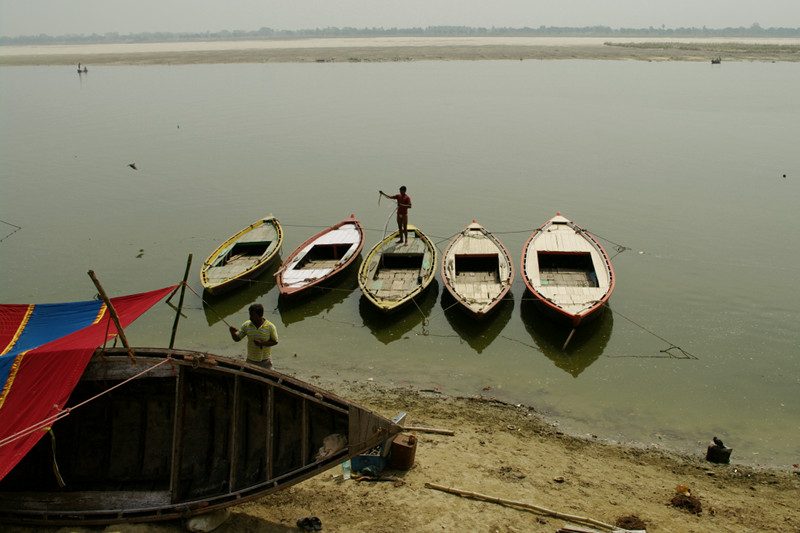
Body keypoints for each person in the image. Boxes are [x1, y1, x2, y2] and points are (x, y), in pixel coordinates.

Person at [229, 303, 278, 369]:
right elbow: (237, 339)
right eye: (250, 315)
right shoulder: (246, 325)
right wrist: (232, 333)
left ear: (260, 315)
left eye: (253, 315)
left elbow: (275, 341)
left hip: (265, 361)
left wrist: (261, 343)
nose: (250, 318)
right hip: (250, 360)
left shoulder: (270, 327)